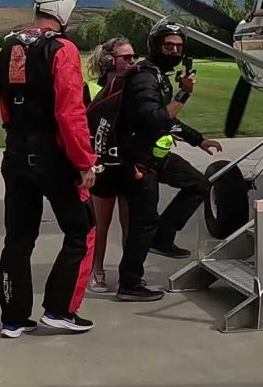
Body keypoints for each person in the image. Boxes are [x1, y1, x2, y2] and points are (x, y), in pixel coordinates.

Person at [0, 0, 99, 337]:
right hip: (52, 156)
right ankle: (60, 308)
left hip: (16, 151)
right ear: (66, 9)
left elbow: (5, 104)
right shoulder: (62, 50)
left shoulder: (9, 47)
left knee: (18, 238)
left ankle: (13, 317)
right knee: (80, 228)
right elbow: (71, 112)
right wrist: (84, 162)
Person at [133, 22, 222, 262]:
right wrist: (184, 93)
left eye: (178, 47)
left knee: (199, 185)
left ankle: (162, 238)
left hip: (155, 153)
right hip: (138, 157)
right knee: (144, 221)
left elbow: (166, 121)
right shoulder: (144, 77)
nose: (173, 51)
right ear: (155, 45)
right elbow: (157, 119)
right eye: (168, 45)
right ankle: (130, 282)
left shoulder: (159, 76)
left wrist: (199, 140)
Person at [83, 36, 139, 293]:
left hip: (127, 163)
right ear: (109, 61)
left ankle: (129, 275)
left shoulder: (134, 88)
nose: (132, 61)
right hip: (103, 165)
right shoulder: (94, 90)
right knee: (101, 225)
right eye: (126, 57)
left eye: (133, 56)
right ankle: (97, 270)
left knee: (130, 225)